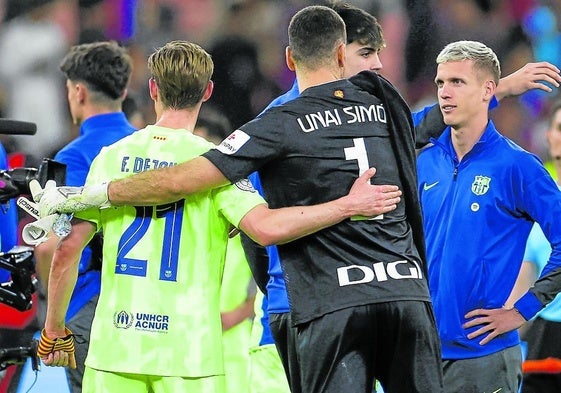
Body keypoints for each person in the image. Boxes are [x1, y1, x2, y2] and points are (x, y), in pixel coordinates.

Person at [31, 5, 451, 391]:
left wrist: (54, 331)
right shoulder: (219, 165)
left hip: (114, 351)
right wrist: (347, 205)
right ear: (209, 91)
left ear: (153, 89)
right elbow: (266, 228)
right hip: (189, 355)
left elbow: (65, 249)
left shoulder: (112, 158)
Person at [245, 2, 561, 391]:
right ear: (337, 55)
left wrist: (521, 310)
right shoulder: (287, 124)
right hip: (310, 311)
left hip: (406, 330)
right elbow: (253, 226)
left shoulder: (510, 165)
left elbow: (416, 127)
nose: (378, 65)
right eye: (366, 53)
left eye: (456, 83)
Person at [416, 40, 561, 393]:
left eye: (457, 82)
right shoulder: (422, 161)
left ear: (488, 91)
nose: (444, 93)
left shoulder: (518, 167)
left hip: (484, 357)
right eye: (440, 83)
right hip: (419, 352)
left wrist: (522, 309)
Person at [32, 40, 137, 392]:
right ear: (123, 90)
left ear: (78, 92)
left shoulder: (72, 158)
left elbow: (54, 247)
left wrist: (53, 321)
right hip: (147, 307)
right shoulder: (149, 151)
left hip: (91, 310)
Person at [505, 99, 561, 393]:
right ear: (548, 135)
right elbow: (524, 280)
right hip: (546, 336)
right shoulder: (533, 197)